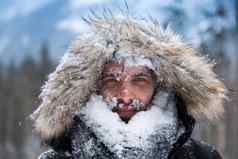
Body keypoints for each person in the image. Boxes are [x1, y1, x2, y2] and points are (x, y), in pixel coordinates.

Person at [31, 15, 227, 159]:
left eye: (140, 79)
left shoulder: (202, 157)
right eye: (111, 80)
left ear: (160, 87)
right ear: (93, 88)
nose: (125, 94)